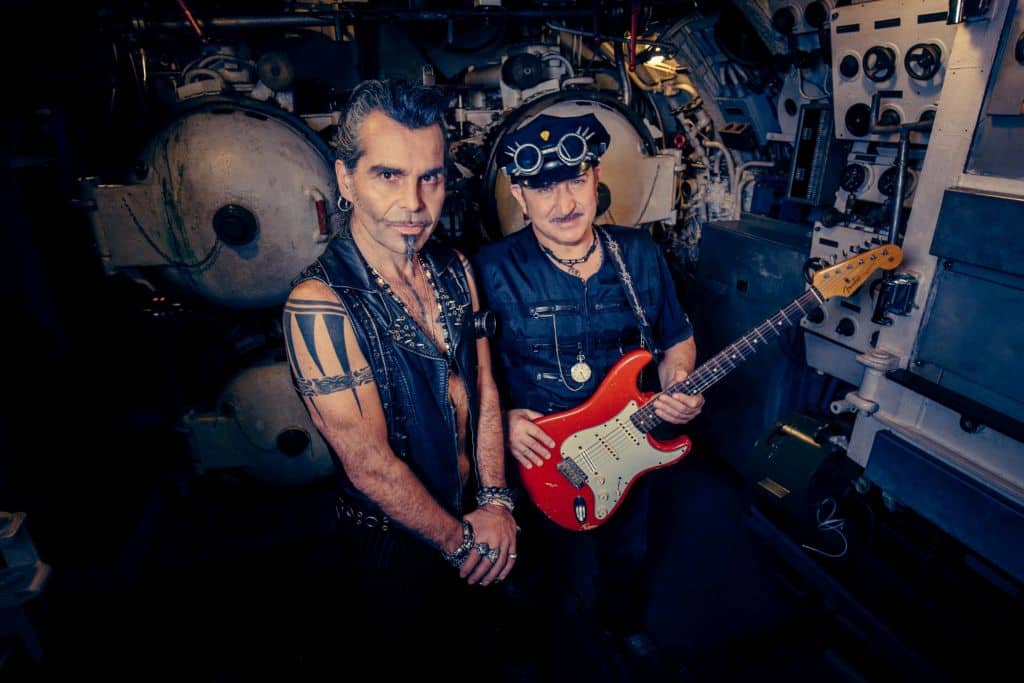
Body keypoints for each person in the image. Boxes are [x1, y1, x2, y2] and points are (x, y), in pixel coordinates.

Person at [281, 79, 517, 675]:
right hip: (390, 548)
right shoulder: (319, 305)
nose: (413, 202)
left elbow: (485, 389)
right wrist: (464, 545)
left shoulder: (455, 269)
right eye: (388, 175)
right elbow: (369, 465)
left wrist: (495, 501)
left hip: (476, 520)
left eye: (429, 177)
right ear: (345, 180)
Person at [474, 112, 705, 679]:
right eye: (542, 188)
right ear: (519, 197)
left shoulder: (639, 254)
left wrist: (677, 383)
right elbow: (467, 373)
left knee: (628, 551)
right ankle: (525, 644)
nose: (564, 203)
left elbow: (676, 338)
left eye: (575, 180)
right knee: (527, 565)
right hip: (535, 453)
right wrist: (502, 419)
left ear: (596, 176)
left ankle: (619, 623)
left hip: (627, 443)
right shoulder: (491, 269)